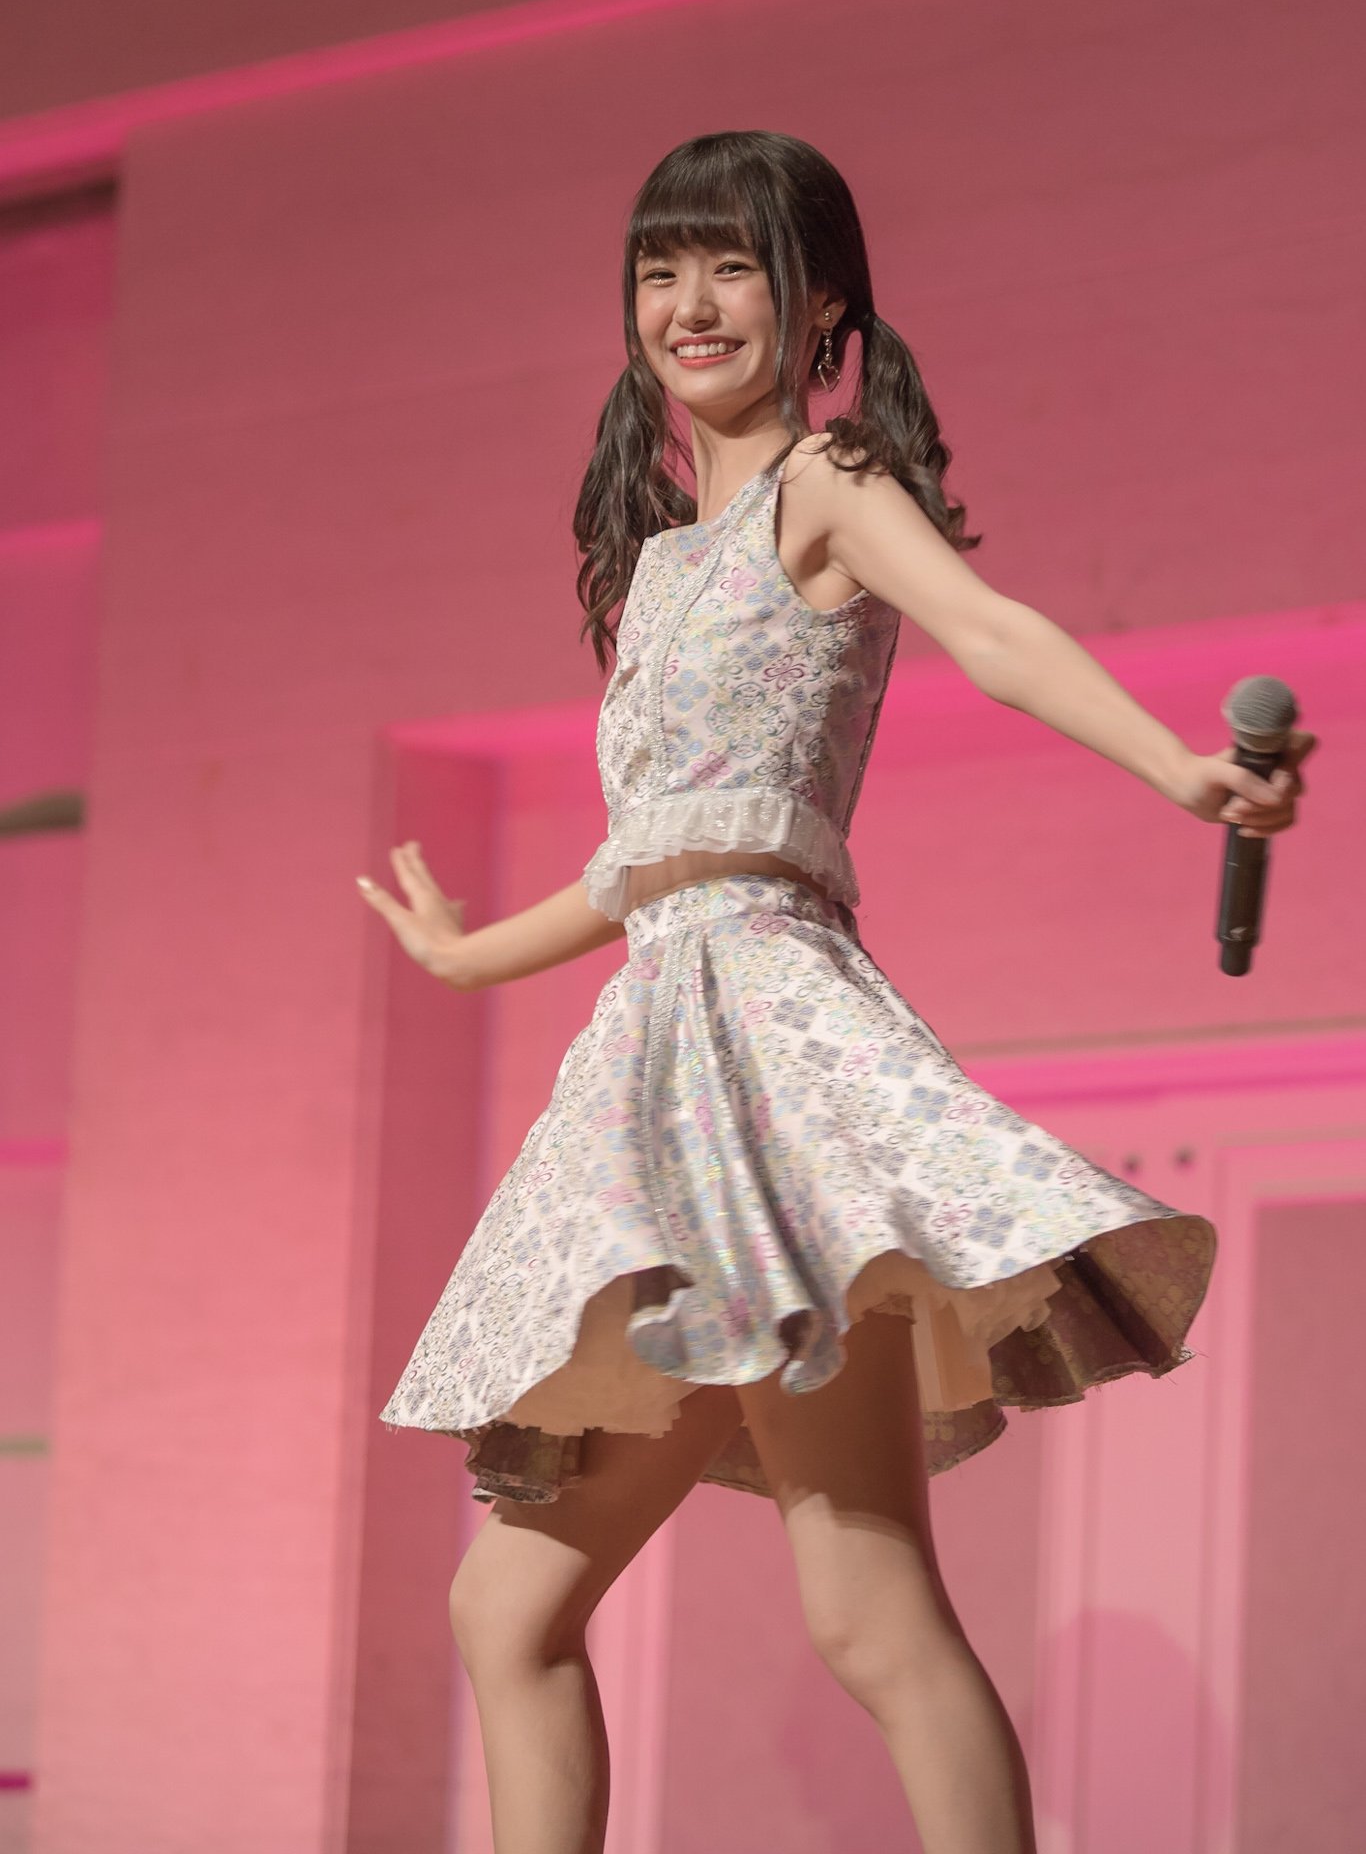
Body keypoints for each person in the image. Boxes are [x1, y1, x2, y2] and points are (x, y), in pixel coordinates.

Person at [357, 130, 1313, 1854]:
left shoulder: (827, 482)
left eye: (730, 264)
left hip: (771, 1060)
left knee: (865, 1612)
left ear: (820, 310)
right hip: (655, 1067)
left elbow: (991, 632)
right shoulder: (661, 564)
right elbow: (645, 861)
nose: (689, 301)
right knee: (508, 1611)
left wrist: (1178, 770)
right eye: (659, 268)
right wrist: (464, 954)